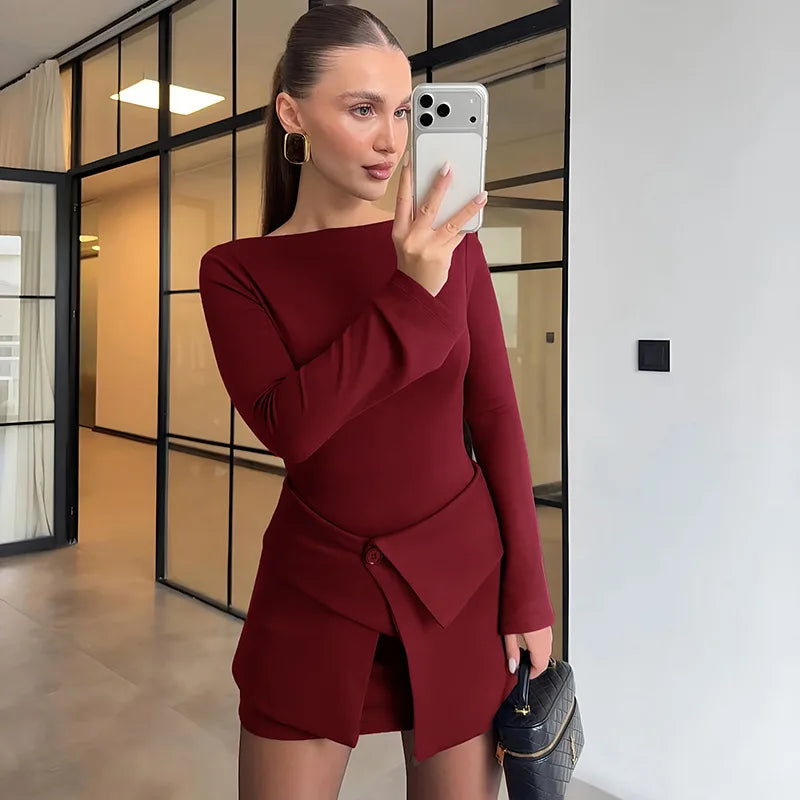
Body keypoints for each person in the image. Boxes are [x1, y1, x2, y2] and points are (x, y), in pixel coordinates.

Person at [198, 5, 554, 799]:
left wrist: (528, 593)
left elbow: (495, 419)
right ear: (294, 115)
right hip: (314, 591)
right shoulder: (235, 271)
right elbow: (293, 428)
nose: (393, 140)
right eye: (363, 111)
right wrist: (410, 288)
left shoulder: (454, 249)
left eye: (401, 111)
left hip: (461, 588)